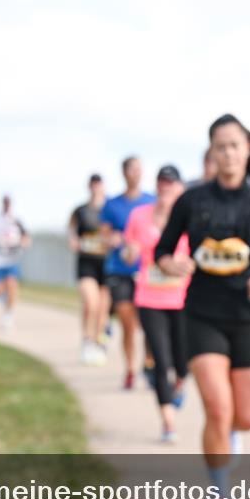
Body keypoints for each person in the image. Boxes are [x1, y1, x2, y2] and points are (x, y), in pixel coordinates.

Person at [155, 114, 250, 499]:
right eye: (221, 147)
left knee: (246, 417)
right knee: (218, 408)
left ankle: (229, 436)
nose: (229, 153)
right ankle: (218, 491)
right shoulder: (192, 199)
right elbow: (162, 251)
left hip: (248, 315)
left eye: (235, 145)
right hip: (202, 313)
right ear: (212, 153)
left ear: (246, 149)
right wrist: (171, 264)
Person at [124, 165, 191, 443]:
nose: (165, 188)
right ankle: (168, 422)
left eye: (171, 184)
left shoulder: (189, 217)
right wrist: (130, 252)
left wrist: (187, 266)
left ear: (180, 188)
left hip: (182, 299)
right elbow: (129, 252)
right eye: (161, 183)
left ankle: (179, 382)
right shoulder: (140, 216)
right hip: (150, 298)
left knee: (183, 362)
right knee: (161, 361)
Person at [101, 157, 155, 388]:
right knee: (127, 321)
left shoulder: (152, 202)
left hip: (147, 272)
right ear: (124, 173)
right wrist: (112, 238)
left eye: (139, 169)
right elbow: (103, 236)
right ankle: (130, 368)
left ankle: (149, 363)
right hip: (120, 270)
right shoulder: (112, 205)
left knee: (149, 323)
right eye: (132, 169)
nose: (136, 173)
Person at [69, 173, 111, 366]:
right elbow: (72, 231)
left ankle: (98, 342)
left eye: (99, 184)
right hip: (87, 262)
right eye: (93, 184)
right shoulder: (80, 210)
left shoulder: (110, 208)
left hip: (107, 263)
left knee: (103, 308)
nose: (96, 188)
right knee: (90, 302)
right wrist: (74, 240)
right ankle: (87, 340)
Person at [0, 195, 30, 330]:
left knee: (12, 285)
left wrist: (22, 243)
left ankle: (8, 316)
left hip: (11, 259)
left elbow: (26, 237)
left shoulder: (17, 220)